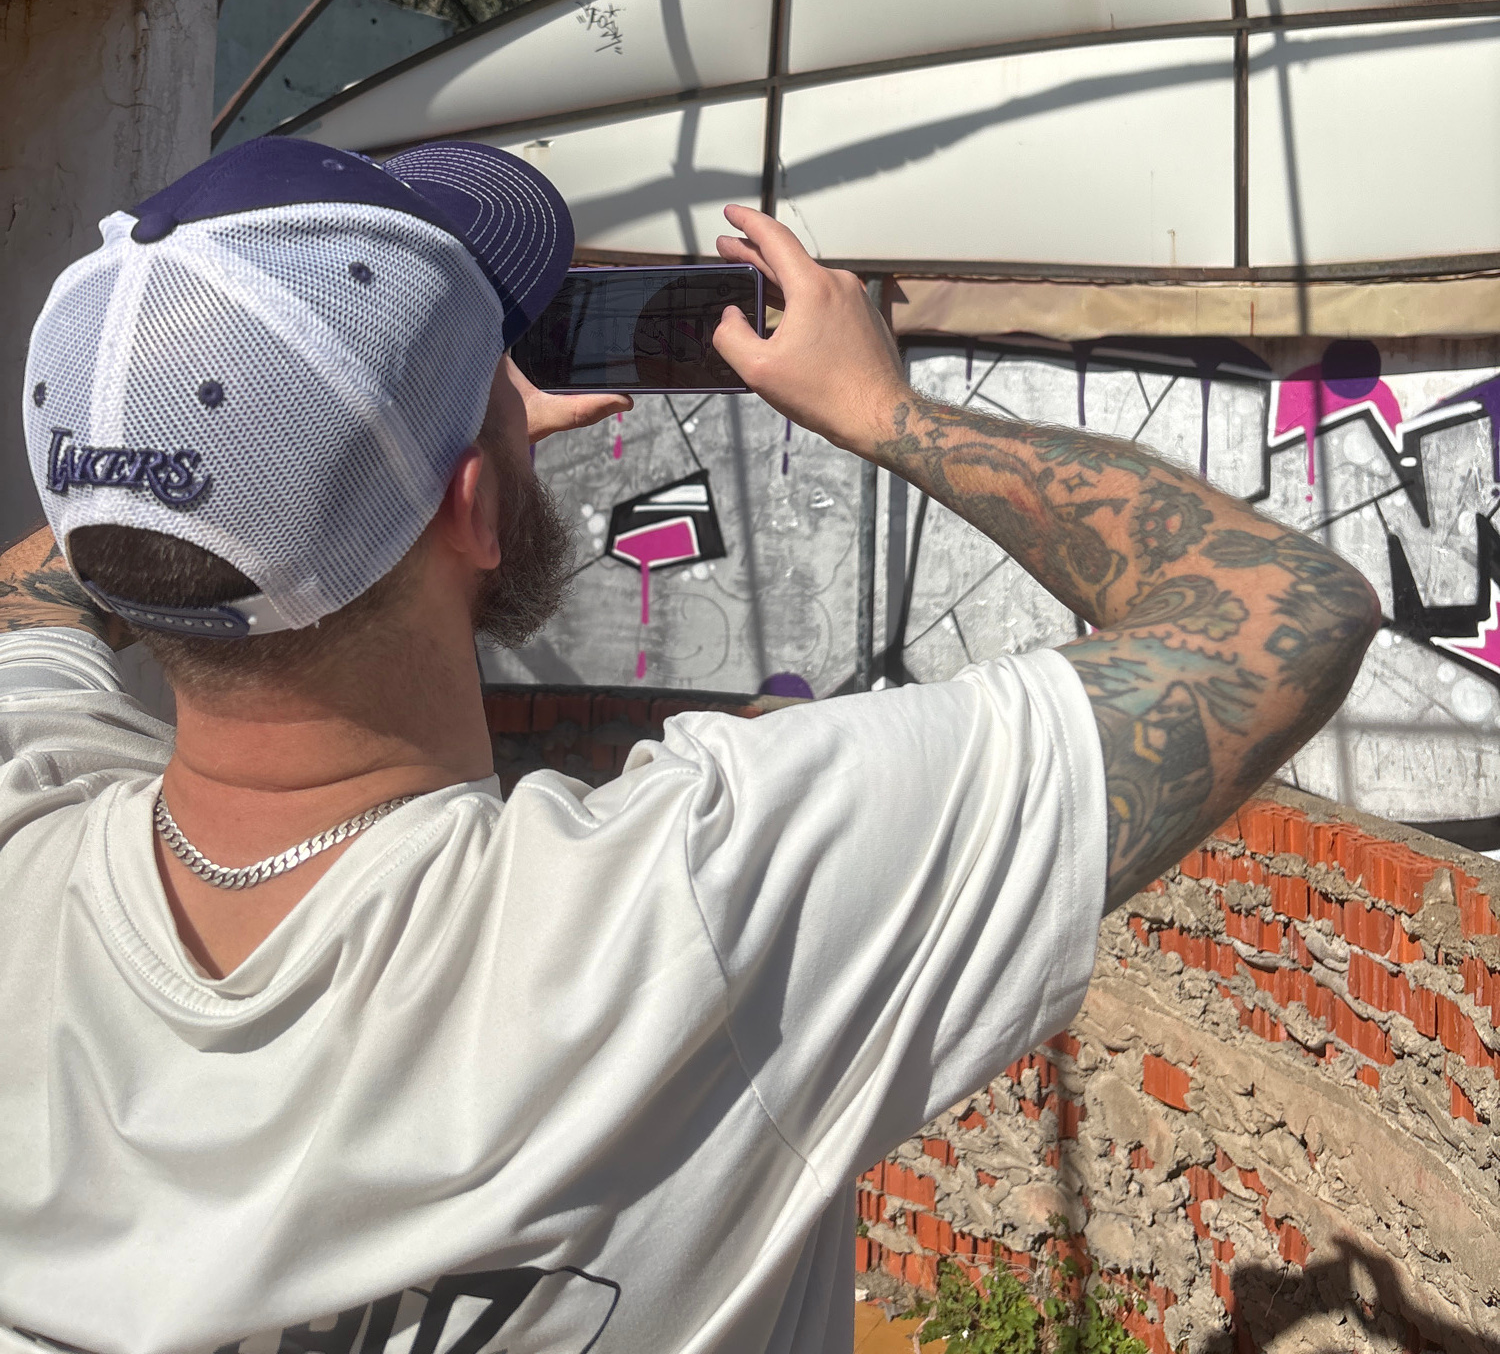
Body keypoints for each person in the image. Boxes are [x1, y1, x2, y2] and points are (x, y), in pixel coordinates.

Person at [0, 136, 1377, 1354]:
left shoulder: (24, 822)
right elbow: (1289, 609)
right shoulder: (682, 912)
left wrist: (352, 461)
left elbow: (45, 590)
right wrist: (881, 408)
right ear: (475, 506)